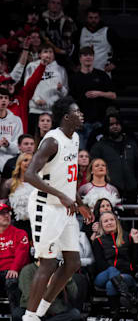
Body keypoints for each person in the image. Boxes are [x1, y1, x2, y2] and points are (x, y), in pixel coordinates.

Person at [22, 96, 93, 321]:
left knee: (73, 262)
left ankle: (41, 310)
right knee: (49, 262)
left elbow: (68, 180)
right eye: (77, 112)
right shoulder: (52, 141)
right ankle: (29, 317)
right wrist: (61, 196)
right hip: (46, 206)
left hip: (65, 207)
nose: (81, 115)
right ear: (66, 117)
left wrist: (80, 205)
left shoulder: (75, 139)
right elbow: (29, 175)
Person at [92, 210, 138, 315]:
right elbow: (100, 264)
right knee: (111, 270)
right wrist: (114, 272)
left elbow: (135, 260)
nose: (109, 223)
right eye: (105, 221)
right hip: (102, 276)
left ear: (116, 222)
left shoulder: (127, 237)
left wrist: (136, 241)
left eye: (111, 220)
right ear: (101, 226)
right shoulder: (98, 241)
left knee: (111, 284)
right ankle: (127, 295)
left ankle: (115, 314)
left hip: (126, 275)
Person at [69, 46, 115, 149]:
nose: (88, 57)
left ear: (94, 57)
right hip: (81, 124)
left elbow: (113, 95)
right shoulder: (74, 78)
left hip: (99, 122)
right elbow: (70, 101)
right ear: (80, 58)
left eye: (90, 55)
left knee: (98, 152)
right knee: (81, 154)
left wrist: (99, 93)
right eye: (85, 55)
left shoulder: (102, 75)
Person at [89, 114, 138, 203]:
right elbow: (93, 169)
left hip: (132, 191)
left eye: (117, 124)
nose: (115, 126)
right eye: (111, 124)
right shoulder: (99, 146)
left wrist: (137, 184)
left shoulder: (131, 144)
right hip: (108, 192)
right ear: (106, 127)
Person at [24, 44, 68, 132]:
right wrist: (36, 99)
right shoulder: (31, 66)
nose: (48, 54)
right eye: (45, 52)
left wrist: (61, 89)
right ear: (40, 54)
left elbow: (65, 93)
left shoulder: (61, 70)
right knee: (34, 140)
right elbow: (27, 87)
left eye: (50, 52)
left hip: (53, 112)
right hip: (35, 110)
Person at [0, 203, 30, 318]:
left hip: (14, 271)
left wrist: (14, 268)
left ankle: (17, 316)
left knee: (12, 281)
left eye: (7, 212)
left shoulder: (20, 233)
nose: (6, 215)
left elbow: (21, 254)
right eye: (2, 213)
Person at [76, 7, 120, 75]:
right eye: (90, 17)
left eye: (96, 18)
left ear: (100, 18)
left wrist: (114, 63)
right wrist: (76, 64)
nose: (93, 20)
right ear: (86, 18)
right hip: (84, 72)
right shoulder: (80, 32)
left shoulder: (108, 32)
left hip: (103, 71)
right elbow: (74, 49)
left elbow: (119, 48)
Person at [0, 89, 25, 170]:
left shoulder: (16, 120)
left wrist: (8, 145)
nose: (3, 100)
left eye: (6, 98)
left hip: (10, 161)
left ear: (9, 101)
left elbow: (19, 147)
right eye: (0, 98)